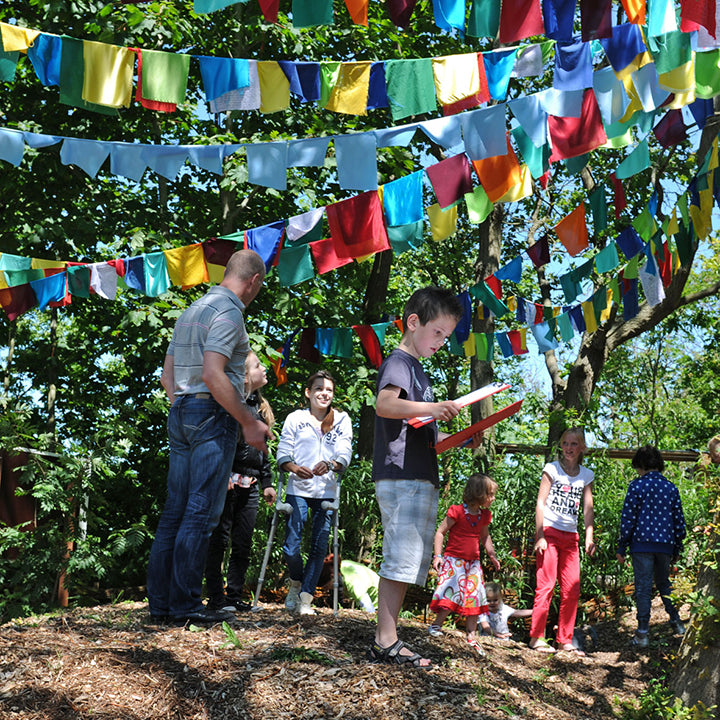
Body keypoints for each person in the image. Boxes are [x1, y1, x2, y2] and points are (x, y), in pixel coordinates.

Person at [146, 249, 270, 626]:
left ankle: (161, 606)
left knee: (175, 509)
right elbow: (215, 373)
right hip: (212, 414)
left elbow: (168, 378)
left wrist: (185, 407)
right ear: (253, 281)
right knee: (201, 511)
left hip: (181, 410)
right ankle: (184, 606)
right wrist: (248, 421)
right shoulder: (230, 312)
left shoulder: (190, 311)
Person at [369, 286, 481, 669]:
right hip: (400, 475)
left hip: (417, 472)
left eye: (446, 337)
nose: (441, 342)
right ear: (413, 323)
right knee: (398, 560)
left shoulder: (418, 371)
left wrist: (462, 438)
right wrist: (434, 405)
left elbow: (427, 436)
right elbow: (385, 405)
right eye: (437, 333)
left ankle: (389, 637)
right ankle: (385, 641)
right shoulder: (400, 361)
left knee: (406, 561)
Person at [204, 351, 277, 613]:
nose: (265, 369)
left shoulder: (261, 408)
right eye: (258, 366)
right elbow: (219, 443)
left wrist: (267, 481)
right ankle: (216, 597)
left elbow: (263, 448)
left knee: (243, 542)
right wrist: (222, 473)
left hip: (252, 483)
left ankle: (234, 596)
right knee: (219, 539)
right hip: (229, 479)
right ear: (244, 376)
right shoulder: (231, 404)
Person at [277, 370, 353, 616]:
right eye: (319, 388)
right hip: (298, 488)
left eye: (329, 390)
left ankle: (305, 599)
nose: (324, 393)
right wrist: (294, 468)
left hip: (327, 490)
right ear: (308, 393)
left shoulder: (342, 420)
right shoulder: (295, 418)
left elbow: (345, 452)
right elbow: (283, 452)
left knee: (320, 545)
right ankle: (296, 582)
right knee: (291, 547)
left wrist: (331, 464)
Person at [528, 426, 595, 654]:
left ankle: (564, 640)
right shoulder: (552, 469)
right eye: (565, 443)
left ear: (582, 447)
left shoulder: (586, 475)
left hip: (571, 538)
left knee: (572, 589)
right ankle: (536, 637)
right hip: (549, 533)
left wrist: (589, 536)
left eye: (574, 444)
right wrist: (540, 536)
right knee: (546, 586)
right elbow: (540, 503)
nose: (569, 448)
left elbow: (588, 508)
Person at [617, 445, 686, 647]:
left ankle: (642, 633)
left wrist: (622, 547)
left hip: (641, 545)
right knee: (664, 584)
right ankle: (677, 623)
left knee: (644, 588)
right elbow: (678, 521)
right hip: (665, 545)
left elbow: (628, 520)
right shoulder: (671, 488)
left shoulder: (636, 486)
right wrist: (677, 547)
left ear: (641, 465)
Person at [428, 473, 501, 656]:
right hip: (454, 561)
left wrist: (491, 554)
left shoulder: (484, 516)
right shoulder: (457, 511)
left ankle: (471, 636)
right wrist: (438, 556)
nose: (493, 499)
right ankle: (436, 625)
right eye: (490, 494)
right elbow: (440, 532)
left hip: (473, 564)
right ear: (479, 494)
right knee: (450, 593)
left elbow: (484, 536)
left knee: (474, 596)